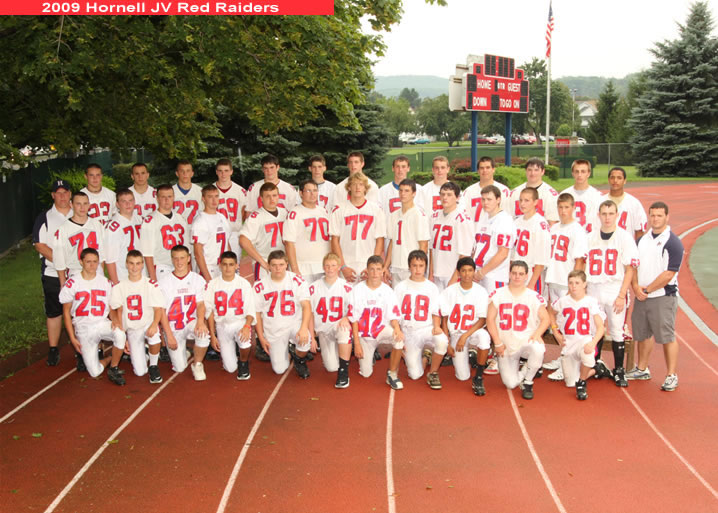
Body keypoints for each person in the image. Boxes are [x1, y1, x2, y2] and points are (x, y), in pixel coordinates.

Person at [629, 202, 684, 391]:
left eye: (659, 215)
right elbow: (633, 266)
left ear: (667, 217)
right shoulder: (642, 240)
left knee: (666, 336)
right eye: (652, 215)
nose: (655, 219)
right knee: (642, 334)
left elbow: (669, 273)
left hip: (662, 296)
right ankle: (642, 368)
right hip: (642, 295)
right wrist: (636, 287)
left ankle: (671, 375)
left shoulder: (673, 242)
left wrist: (648, 289)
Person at [585, 200, 640, 387]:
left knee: (616, 330)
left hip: (614, 287)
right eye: (604, 213)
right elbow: (582, 263)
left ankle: (619, 370)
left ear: (617, 215)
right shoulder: (590, 236)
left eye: (611, 213)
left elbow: (630, 268)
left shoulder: (624, 237)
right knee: (594, 329)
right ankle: (595, 364)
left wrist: (622, 294)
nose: (607, 217)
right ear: (598, 215)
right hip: (593, 287)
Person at [59, 248, 126, 385]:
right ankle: (109, 359)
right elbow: (66, 312)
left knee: (120, 333)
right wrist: (72, 338)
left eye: (95, 262)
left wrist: (115, 320)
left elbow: (111, 308)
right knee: (94, 372)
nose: (92, 265)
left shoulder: (105, 282)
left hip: (101, 323)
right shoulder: (72, 283)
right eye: (88, 262)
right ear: (81, 262)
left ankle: (113, 368)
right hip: (84, 329)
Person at [486, 260, 550, 400]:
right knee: (510, 383)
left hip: (525, 341)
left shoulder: (533, 296)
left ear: (526, 276)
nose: (517, 277)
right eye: (514, 273)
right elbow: (489, 319)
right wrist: (497, 343)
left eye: (521, 274)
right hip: (505, 344)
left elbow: (546, 319)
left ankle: (528, 381)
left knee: (538, 349)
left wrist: (537, 334)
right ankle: (526, 370)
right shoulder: (498, 293)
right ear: (509, 274)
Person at [543, 193, 589, 381]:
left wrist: (574, 287)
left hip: (565, 282)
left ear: (573, 208)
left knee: (570, 325)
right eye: (560, 207)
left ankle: (570, 364)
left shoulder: (577, 230)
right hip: (553, 279)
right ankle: (563, 357)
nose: (563, 211)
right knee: (561, 323)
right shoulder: (554, 229)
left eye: (566, 207)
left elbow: (580, 260)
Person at [253, 250, 313, 377]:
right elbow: (257, 313)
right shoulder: (260, 285)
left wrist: (303, 328)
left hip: (293, 324)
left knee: (305, 340)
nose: (277, 268)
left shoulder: (297, 281)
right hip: (274, 329)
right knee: (279, 369)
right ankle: (289, 349)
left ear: (287, 264)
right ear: (268, 266)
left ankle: (299, 360)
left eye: (281, 264)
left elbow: (306, 306)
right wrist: (261, 337)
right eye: (274, 265)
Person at [394, 250, 448, 389]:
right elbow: (394, 314)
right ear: (409, 267)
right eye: (414, 265)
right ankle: (425, 357)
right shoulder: (400, 287)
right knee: (415, 375)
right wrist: (399, 332)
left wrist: (436, 326)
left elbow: (436, 311)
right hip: (408, 331)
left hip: (426, 328)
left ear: (426, 266)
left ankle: (433, 373)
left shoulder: (432, 287)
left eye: (421, 265)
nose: (418, 269)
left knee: (442, 340)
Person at [109, 250, 165, 383]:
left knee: (154, 334)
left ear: (142, 265)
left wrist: (154, 324)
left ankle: (153, 365)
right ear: (126, 264)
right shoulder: (119, 287)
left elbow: (158, 309)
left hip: (146, 324)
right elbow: (115, 309)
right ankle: (145, 353)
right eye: (131, 263)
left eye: (138, 263)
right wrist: (122, 335)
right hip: (132, 328)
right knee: (140, 372)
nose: (135, 267)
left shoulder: (150, 284)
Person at [33, 179, 73, 366]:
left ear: (70, 194)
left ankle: (82, 350)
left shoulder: (79, 212)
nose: (62, 196)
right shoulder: (45, 217)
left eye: (65, 192)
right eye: (59, 193)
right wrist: (61, 263)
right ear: (53, 195)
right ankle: (53, 349)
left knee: (79, 312)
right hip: (52, 274)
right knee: (54, 312)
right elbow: (40, 245)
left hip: (78, 275)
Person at [348, 255, 404, 389]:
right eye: (372, 269)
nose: (375, 273)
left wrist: (397, 328)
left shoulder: (388, 291)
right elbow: (354, 319)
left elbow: (393, 315)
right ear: (366, 271)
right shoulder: (357, 290)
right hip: (364, 335)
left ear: (382, 271)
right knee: (366, 374)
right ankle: (370, 353)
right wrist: (356, 343)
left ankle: (392, 374)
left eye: (378, 269)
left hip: (380, 330)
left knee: (399, 338)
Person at [549, 270, 605, 400]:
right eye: (571, 283)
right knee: (569, 383)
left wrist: (592, 343)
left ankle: (582, 383)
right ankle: (597, 369)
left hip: (583, 340)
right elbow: (551, 313)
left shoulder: (591, 302)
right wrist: (555, 332)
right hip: (568, 344)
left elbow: (601, 327)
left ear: (584, 284)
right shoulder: (563, 301)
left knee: (588, 355)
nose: (573, 286)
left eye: (577, 283)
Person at [439, 257, 491, 394]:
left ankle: (479, 377)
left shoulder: (481, 291)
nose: (467, 274)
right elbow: (444, 318)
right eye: (463, 271)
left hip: (472, 331)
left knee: (484, 338)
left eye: (470, 270)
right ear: (458, 272)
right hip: (456, 333)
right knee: (462, 377)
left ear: (474, 271)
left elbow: (482, 320)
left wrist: (465, 336)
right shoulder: (449, 291)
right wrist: (447, 342)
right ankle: (471, 355)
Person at [158, 245, 210, 379]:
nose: (179, 262)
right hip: (173, 327)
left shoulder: (197, 279)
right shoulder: (164, 282)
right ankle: (184, 351)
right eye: (175, 258)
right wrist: (168, 335)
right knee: (180, 368)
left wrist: (200, 322)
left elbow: (200, 304)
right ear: (171, 259)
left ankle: (197, 364)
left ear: (188, 259)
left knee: (203, 334)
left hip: (190, 322)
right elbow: (161, 311)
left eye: (182, 258)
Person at [203, 251, 256, 380]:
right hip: (222, 325)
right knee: (230, 368)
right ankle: (235, 354)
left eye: (231, 265)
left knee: (244, 341)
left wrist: (247, 327)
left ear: (237, 266)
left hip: (239, 322)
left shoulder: (244, 284)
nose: (228, 268)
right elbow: (208, 311)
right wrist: (213, 335)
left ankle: (243, 362)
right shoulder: (213, 284)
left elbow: (250, 311)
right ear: (220, 265)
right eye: (225, 264)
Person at [329, 172, 386, 283]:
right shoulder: (339, 210)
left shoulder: (376, 210)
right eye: (354, 184)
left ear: (366, 187)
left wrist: (372, 266)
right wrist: (343, 266)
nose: (357, 187)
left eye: (361, 184)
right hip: (346, 263)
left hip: (367, 262)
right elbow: (335, 240)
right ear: (349, 187)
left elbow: (380, 240)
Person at [308, 253, 353, 388]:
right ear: (323, 267)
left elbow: (354, 308)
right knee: (331, 367)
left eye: (333, 265)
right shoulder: (314, 287)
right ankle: (338, 352)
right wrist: (312, 336)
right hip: (323, 331)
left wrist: (346, 317)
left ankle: (344, 372)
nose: (330, 268)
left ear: (339, 267)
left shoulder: (347, 287)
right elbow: (308, 313)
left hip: (337, 326)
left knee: (345, 330)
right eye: (327, 266)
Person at [53, 191, 105, 287]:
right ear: (71, 205)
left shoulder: (97, 225)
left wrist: (101, 275)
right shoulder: (63, 229)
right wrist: (62, 283)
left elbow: (102, 254)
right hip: (76, 272)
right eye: (78, 204)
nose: (82, 207)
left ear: (89, 205)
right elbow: (59, 259)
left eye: (85, 204)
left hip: (96, 272)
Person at [283, 179, 330, 284]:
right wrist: (295, 268)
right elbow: (289, 243)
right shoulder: (294, 213)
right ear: (301, 193)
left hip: (323, 266)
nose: (312, 194)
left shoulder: (324, 212)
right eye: (308, 191)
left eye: (315, 190)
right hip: (303, 267)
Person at [428, 182, 473, 291]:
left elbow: (465, 254)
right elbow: (431, 248)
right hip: (436, 272)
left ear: (457, 197)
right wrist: (430, 273)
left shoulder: (462, 219)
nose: (445, 198)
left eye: (449, 195)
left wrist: (455, 278)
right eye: (442, 194)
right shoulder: (434, 216)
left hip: (452, 272)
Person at [239, 182, 288, 282]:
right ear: (261, 198)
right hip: (265, 261)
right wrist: (261, 261)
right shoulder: (256, 217)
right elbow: (243, 240)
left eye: (274, 195)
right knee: (263, 294)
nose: (272, 199)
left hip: (282, 261)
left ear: (278, 196)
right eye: (267, 196)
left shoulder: (284, 213)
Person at [384, 179, 430, 285]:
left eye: (406, 191)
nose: (403, 194)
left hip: (411, 268)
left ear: (414, 193)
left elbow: (423, 245)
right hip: (396, 266)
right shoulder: (393, 215)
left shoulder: (419, 215)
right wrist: (386, 266)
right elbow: (392, 243)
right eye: (400, 190)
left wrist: (419, 268)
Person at [140, 184, 190, 282]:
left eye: (169, 196)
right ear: (157, 198)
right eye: (163, 197)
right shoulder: (150, 220)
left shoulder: (180, 218)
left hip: (181, 265)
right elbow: (147, 253)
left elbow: (187, 249)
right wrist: (152, 277)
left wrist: (189, 269)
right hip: (162, 267)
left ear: (174, 198)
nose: (166, 200)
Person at [473, 185, 514, 295]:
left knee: (493, 309)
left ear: (498, 200)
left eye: (489, 199)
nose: (485, 202)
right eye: (483, 199)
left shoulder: (504, 220)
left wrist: (482, 272)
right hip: (478, 273)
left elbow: (503, 253)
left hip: (495, 276)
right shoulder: (484, 217)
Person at [511, 187, 551, 295]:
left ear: (535, 202)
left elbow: (541, 259)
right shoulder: (516, 222)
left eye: (527, 200)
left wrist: (532, 283)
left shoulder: (540, 224)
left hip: (532, 273)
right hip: (517, 272)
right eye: (521, 200)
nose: (522, 204)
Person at [192, 185, 231, 282]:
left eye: (216, 196)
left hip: (223, 266)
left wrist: (231, 262)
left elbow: (227, 242)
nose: (214, 200)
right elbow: (198, 253)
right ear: (203, 199)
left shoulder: (222, 217)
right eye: (210, 197)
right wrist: (207, 277)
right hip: (209, 267)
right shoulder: (200, 221)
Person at [105, 188, 144, 284]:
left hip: (142, 274)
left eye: (130, 200)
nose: (128, 204)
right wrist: (115, 283)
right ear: (117, 204)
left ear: (135, 202)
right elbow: (110, 260)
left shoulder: (141, 220)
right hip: (123, 276)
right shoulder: (113, 226)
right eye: (124, 201)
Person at [460, 156, 511, 224]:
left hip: (496, 232)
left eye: (488, 167)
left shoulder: (504, 191)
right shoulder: (468, 192)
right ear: (478, 171)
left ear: (493, 169)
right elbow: (464, 217)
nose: (485, 170)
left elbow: (508, 214)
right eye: (482, 168)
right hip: (475, 232)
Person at [508, 158, 559, 224]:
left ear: (543, 171)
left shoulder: (550, 194)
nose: (532, 173)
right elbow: (508, 219)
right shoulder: (515, 193)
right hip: (518, 232)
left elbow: (552, 223)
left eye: (536, 170)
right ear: (526, 171)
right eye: (529, 170)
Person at [214, 158, 247, 253]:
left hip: (234, 233)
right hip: (215, 232)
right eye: (220, 171)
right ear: (216, 172)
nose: (223, 174)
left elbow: (244, 213)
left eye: (226, 171)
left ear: (231, 172)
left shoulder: (240, 191)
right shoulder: (211, 190)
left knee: (234, 265)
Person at [605, 166, 647, 240]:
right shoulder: (600, 201)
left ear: (624, 181)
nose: (615, 180)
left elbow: (639, 231)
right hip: (605, 247)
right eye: (612, 177)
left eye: (619, 178)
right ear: (608, 180)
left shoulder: (634, 203)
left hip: (626, 247)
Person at [561, 159, 603, 233]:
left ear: (588, 173)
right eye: (577, 171)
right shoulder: (564, 194)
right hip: (569, 237)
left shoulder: (597, 196)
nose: (579, 175)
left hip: (590, 238)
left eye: (583, 171)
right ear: (573, 173)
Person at [379, 155, 421, 220]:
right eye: (397, 166)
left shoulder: (419, 189)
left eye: (403, 167)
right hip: (391, 229)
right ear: (393, 168)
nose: (400, 170)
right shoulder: (383, 191)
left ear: (408, 168)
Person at [419, 156, 451, 224]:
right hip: (429, 230)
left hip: (449, 230)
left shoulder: (455, 190)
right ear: (433, 169)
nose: (439, 170)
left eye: (442, 167)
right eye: (437, 168)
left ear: (448, 169)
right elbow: (420, 214)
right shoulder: (424, 190)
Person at [172, 160, 204, 225]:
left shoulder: (200, 191)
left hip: (196, 231)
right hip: (176, 231)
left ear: (192, 173)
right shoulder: (170, 192)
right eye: (182, 171)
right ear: (177, 173)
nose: (185, 174)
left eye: (188, 171)